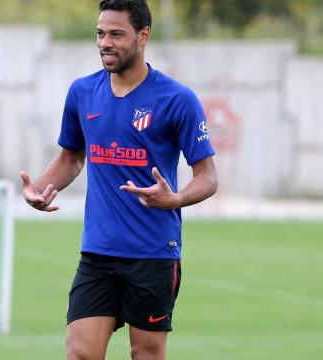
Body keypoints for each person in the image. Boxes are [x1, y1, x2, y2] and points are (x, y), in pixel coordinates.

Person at [20, 0, 217, 359]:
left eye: (115, 34)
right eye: (99, 33)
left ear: (143, 36)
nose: (104, 42)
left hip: (153, 252)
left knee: (146, 354)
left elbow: (208, 176)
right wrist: (42, 188)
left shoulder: (177, 99)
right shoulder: (82, 92)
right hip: (98, 252)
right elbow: (72, 156)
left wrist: (175, 199)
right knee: (80, 353)